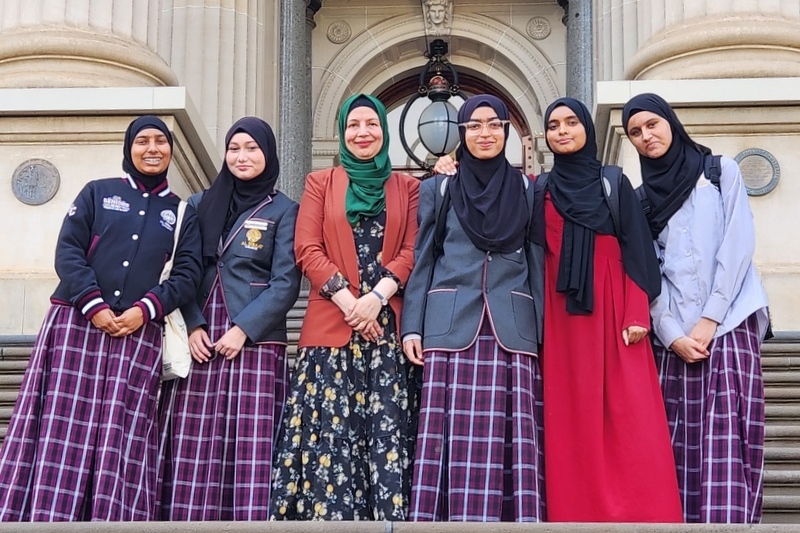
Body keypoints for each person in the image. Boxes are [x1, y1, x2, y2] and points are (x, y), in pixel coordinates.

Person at [0, 116, 203, 521]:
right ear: (129, 148)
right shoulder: (97, 192)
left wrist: (143, 311)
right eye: (142, 141)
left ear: (170, 150)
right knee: (61, 430)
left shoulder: (181, 212)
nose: (152, 149)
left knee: (120, 434)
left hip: (137, 334)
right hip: (75, 326)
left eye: (160, 141)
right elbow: (68, 252)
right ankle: (45, 516)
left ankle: (110, 521)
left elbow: (187, 276)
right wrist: (93, 304)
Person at [270, 94, 420, 521]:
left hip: (386, 332)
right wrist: (351, 303)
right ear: (342, 131)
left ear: (384, 131)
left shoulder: (407, 187)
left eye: (372, 124)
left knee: (384, 439)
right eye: (353, 125)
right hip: (330, 328)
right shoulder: (321, 182)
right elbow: (307, 248)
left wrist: (376, 299)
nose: (363, 132)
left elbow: (411, 249)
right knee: (330, 441)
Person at [623, 93, 770, 523]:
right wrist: (672, 334)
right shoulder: (640, 199)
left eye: (652, 124)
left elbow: (737, 244)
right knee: (680, 445)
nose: (646, 136)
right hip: (678, 341)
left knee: (731, 437)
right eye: (635, 132)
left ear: (670, 121)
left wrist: (711, 317)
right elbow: (648, 273)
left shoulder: (719, 171)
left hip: (731, 322)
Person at [402, 94, 546, 522]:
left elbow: (535, 260)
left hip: (511, 326)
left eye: (494, 124)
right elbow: (424, 257)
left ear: (507, 131)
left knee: (511, 439)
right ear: (462, 134)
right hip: (450, 324)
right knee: (450, 439)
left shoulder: (528, 188)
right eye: (475, 126)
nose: (486, 133)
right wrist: (412, 326)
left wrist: (542, 331)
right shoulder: (438, 187)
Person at [538, 97, 682, 522]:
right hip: (561, 319)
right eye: (553, 125)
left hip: (616, 311)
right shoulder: (539, 188)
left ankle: (646, 517)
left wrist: (637, 312)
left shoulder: (612, 181)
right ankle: (575, 516)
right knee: (571, 421)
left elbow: (637, 250)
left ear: (587, 129)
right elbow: (532, 254)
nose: (562, 131)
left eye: (570, 122)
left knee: (630, 416)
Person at [159, 117, 301, 520]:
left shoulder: (285, 210)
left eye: (252, 148)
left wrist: (244, 330)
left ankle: (251, 522)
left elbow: (286, 282)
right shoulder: (202, 203)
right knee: (193, 439)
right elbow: (182, 270)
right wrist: (193, 324)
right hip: (200, 331)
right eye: (235, 148)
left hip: (254, 337)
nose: (242, 157)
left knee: (250, 441)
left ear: (268, 154)